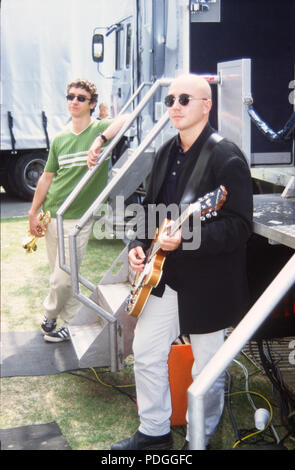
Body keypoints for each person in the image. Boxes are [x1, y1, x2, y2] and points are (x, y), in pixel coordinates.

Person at [111, 74, 253, 450]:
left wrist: (187, 240)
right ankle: (154, 432)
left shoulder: (227, 156)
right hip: (165, 275)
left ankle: (197, 439)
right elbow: (150, 208)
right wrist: (139, 243)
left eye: (184, 99)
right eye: (170, 99)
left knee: (206, 368)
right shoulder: (164, 152)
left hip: (209, 282)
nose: (174, 105)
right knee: (145, 352)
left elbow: (239, 227)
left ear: (207, 105)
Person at [29, 78, 128, 342]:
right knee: (61, 276)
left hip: (79, 220)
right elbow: (47, 178)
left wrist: (100, 140)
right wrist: (33, 213)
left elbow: (126, 118)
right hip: (52, 216)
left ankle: (49, 320)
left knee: (62, 279)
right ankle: (71, 326)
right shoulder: (60, 138)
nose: (74, 101)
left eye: (81, 98)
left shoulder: (101, 128)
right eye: (70, 96)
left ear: (92, 104)